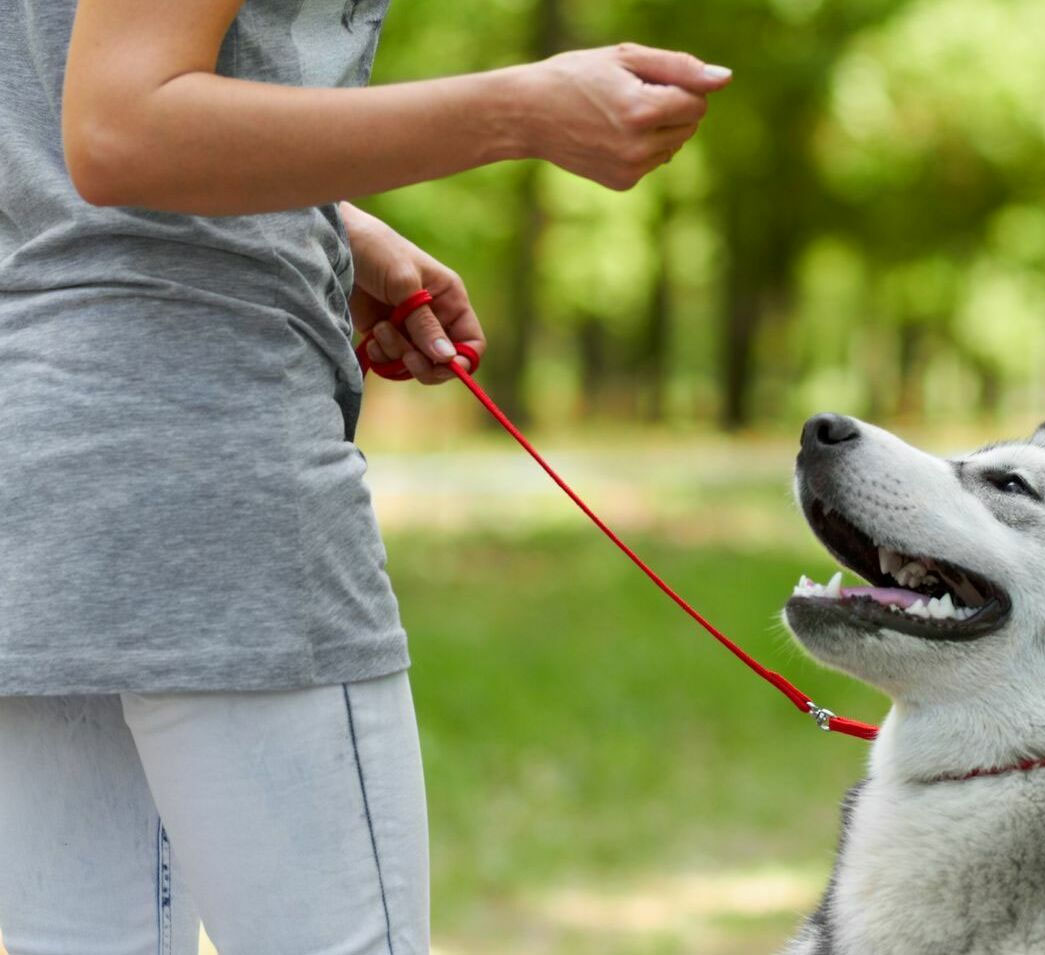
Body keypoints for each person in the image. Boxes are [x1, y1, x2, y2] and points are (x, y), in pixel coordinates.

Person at [0, 0, 731, 951]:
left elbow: (60, 110)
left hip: (43, 464)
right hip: (214, 460)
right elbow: (116, 125)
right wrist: (521, 109)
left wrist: (328, 227)